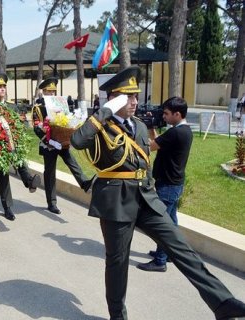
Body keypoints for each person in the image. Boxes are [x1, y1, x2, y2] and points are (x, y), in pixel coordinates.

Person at [70, 66, 245, 320]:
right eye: (127, 97)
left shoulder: (139, 127)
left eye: (135, 96)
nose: (133, 101)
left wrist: (151, 189)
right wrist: (104, 111)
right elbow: (77, 141)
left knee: (181, 246)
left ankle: (222, 302)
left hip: (147, 199)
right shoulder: (100, 127)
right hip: (116, 202)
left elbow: (144, 164)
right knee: (117, 262)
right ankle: (117, 315)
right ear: (113, 98)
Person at [137, 96, 193, 272]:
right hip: (175, 184)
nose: (165, 116)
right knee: (172, 222)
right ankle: (168, 253)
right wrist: (152, 127)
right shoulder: (183, 130)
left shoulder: (175, 132)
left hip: (168, 186)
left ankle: (160, 261)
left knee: (162, 225)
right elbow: (161, 142)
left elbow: (151, 147)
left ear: (178, 114)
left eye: (167, 114)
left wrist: (141, 132)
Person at [32, 77, 91, 214]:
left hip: (62, 141)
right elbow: (37, 127)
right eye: (49, 92)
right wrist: (49, 141)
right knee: (50, 172)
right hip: (49, 143)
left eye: (54, 92)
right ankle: (51, 202)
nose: (52, 95)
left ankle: (84, 182)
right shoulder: (38, 107)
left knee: (72, 161)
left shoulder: (61, 105)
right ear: (44, 92)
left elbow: (66, 121)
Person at [0, 73, 41, 194]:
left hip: (13, 143)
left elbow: (21, 126)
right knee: (3, 176)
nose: (2, 88)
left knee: (21, 163)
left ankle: (30, 182)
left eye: (4, 86)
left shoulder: (12, 107)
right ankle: (7, 207)